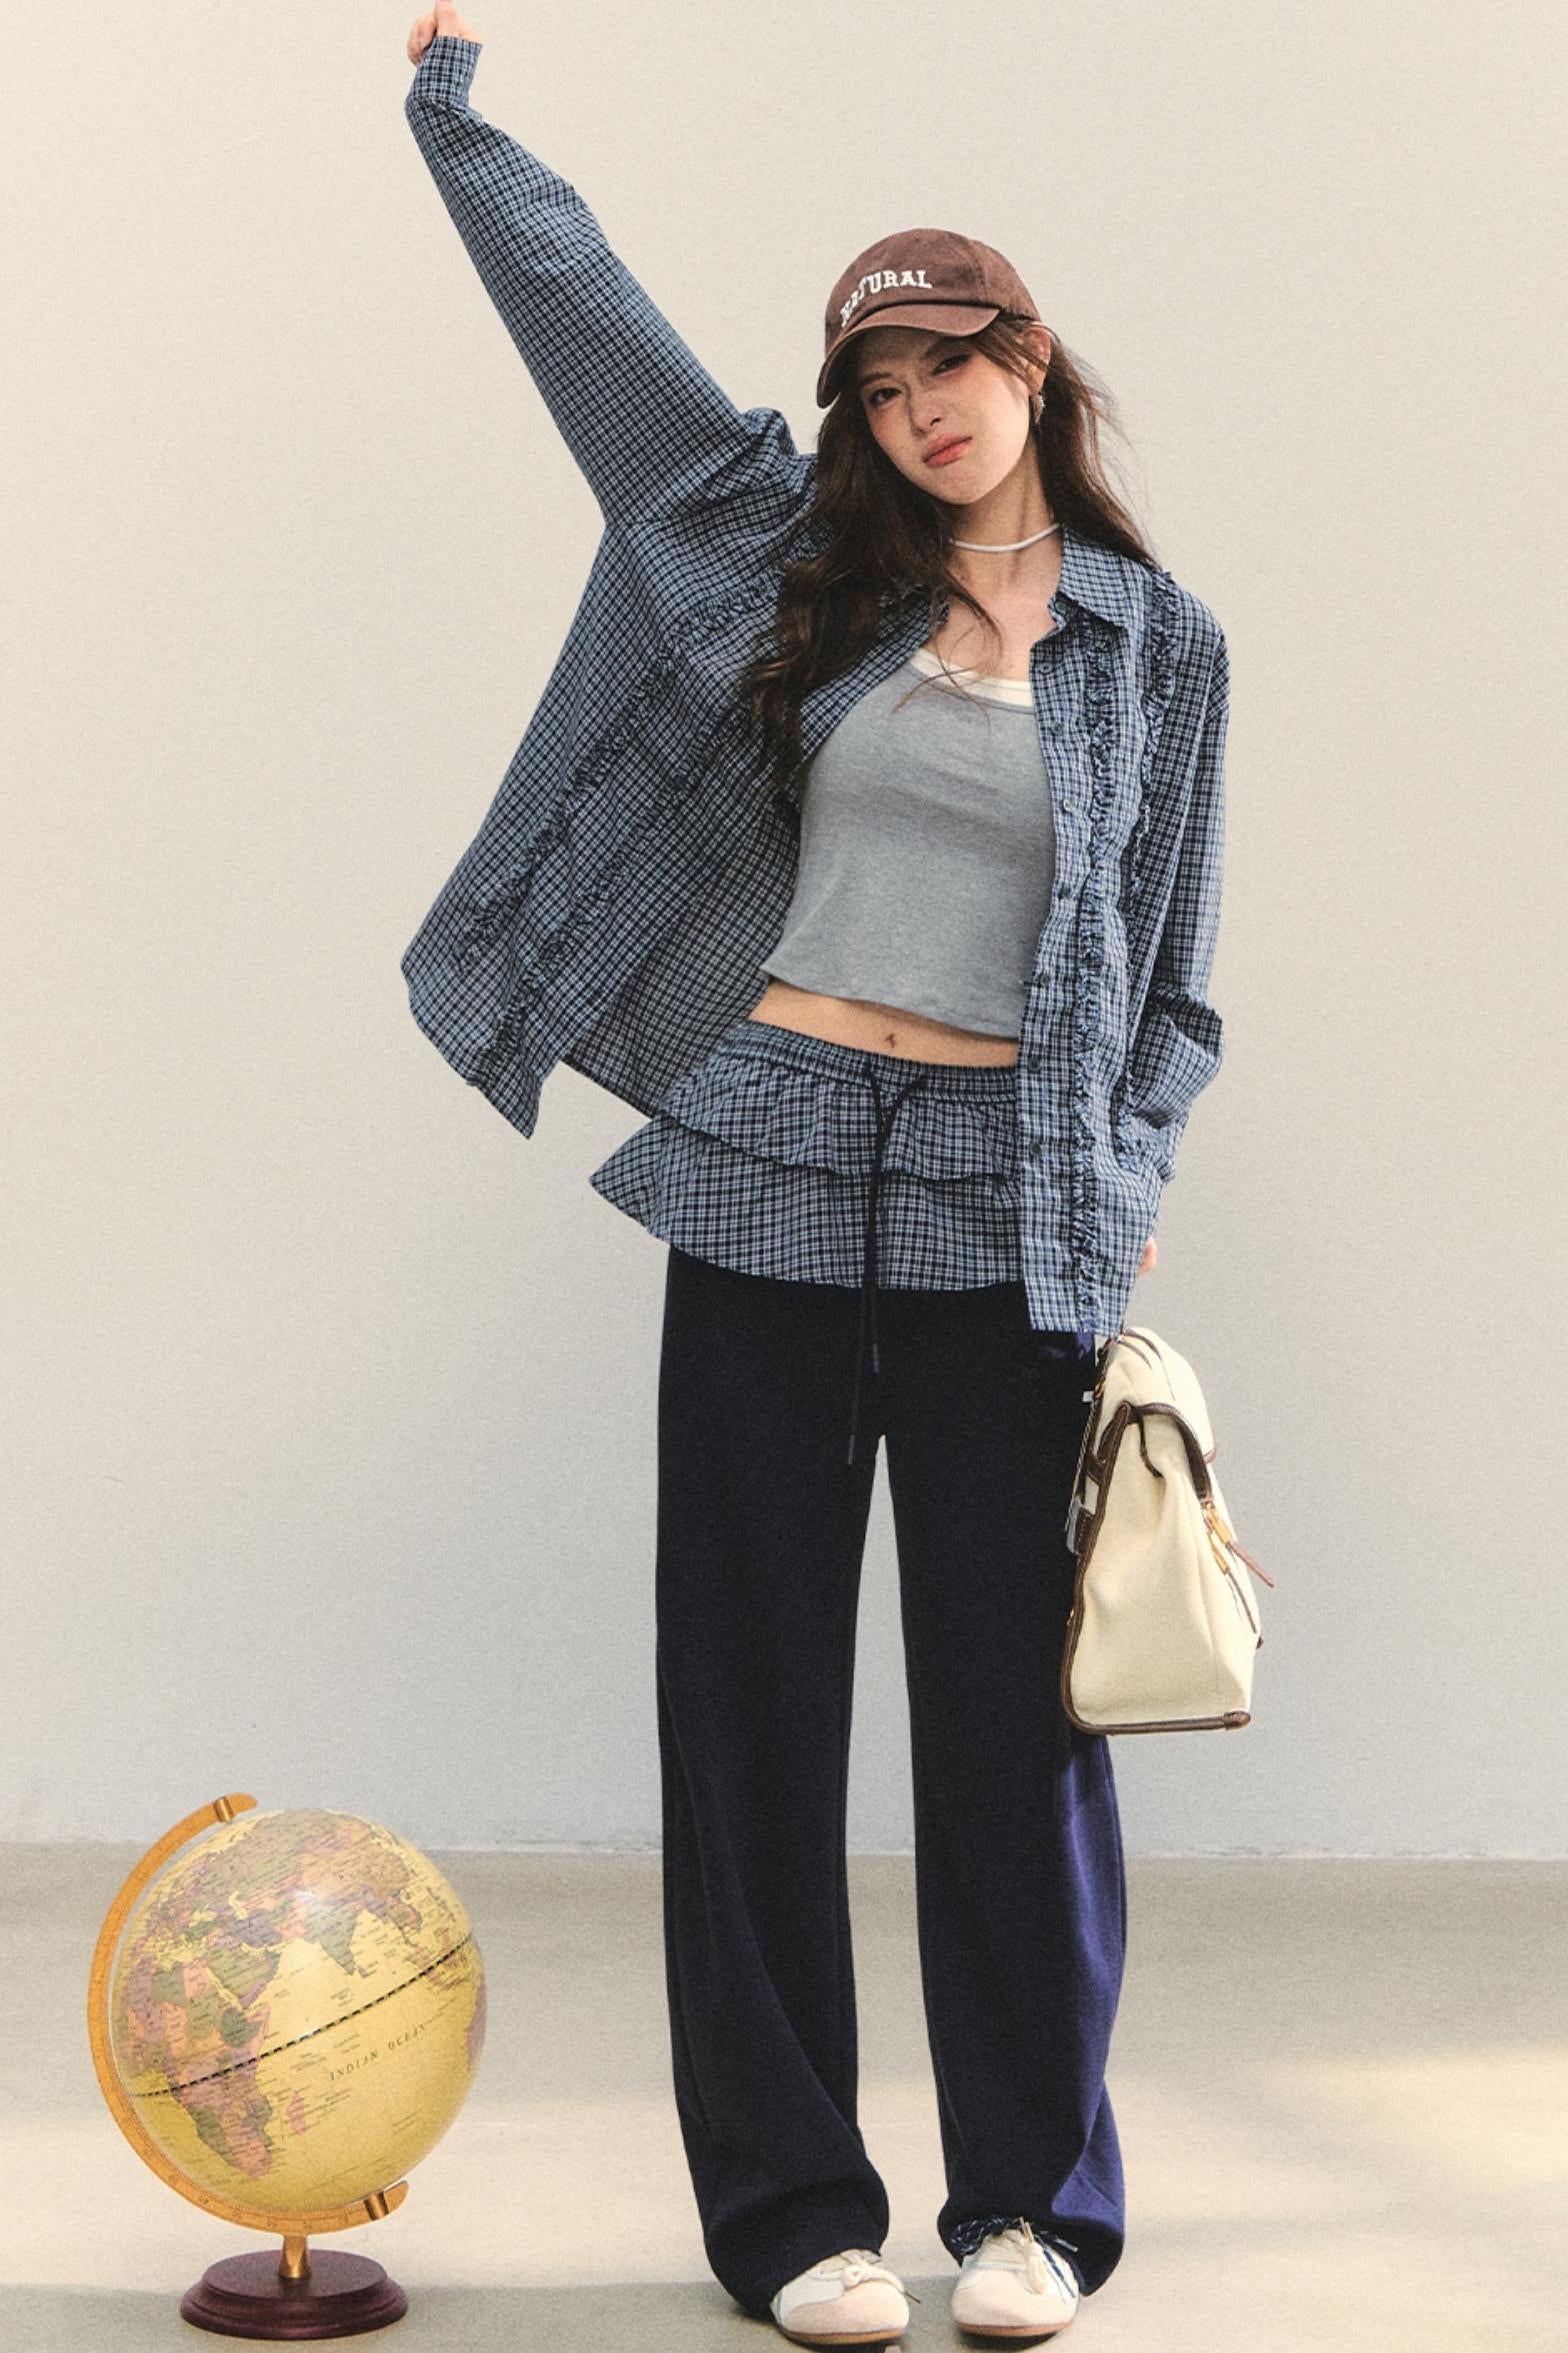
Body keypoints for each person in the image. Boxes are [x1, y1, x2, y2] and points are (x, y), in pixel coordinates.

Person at [400, 5, 1230, 2342]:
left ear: (1030, 362)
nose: (922, 407)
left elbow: (1174, 992)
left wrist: (1113, 1196)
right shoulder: (788, 567)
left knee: (1014, 1730)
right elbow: (604, 351)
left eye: (953, 360)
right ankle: (789, 2215)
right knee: (749, 1707)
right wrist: (456, 122)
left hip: (1001, 1212)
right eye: (880, 384)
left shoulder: (1160, 650)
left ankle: (1032, 2208)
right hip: (765, 1165)